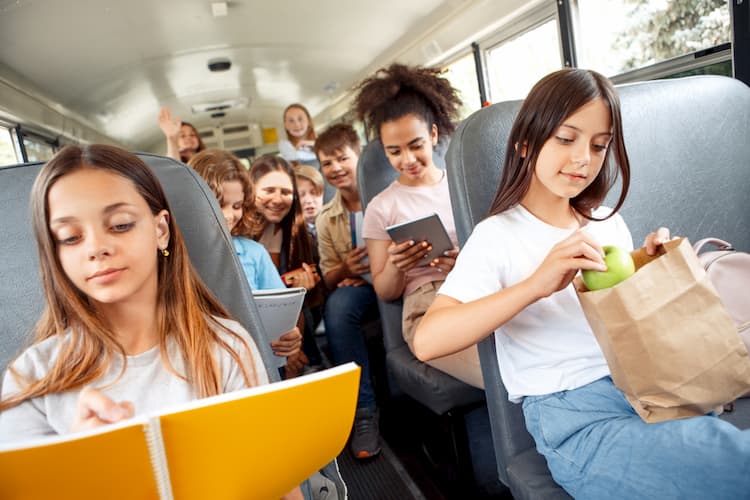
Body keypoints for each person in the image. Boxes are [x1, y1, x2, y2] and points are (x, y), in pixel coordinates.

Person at [413, 68, 750, 499]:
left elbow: (629, 328)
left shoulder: (608, 224)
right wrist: (536, 284)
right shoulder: (497, 236)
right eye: (566, 139)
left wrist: (650, 269)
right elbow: (428, 340)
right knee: (732, 461)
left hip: (650, 390)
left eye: (599, 145)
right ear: (526, 142)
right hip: (577, 419)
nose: (583, 160)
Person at [0, 144, 302, 498]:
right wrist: (77, 471)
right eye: (70, 238)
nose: (96, 247)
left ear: (161, 230)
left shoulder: (226, 347)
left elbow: (280, 487)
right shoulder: (32, 378)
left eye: (121, 225)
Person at [354, 63, 483, 389]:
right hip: (426, 307)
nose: (407, 160)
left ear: (434, 135)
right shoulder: (381, 207)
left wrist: (464, 261)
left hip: (477, 292)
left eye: (415, 145)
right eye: (394, 152)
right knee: (497, 369)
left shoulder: (464, 185)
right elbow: (385, 291)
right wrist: (398, 265)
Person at [188, 148, 303, 368]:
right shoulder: (172, 258)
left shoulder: (254, 254)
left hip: (255, 362)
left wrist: (289, 337)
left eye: (237, 206)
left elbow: (281, 317)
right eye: (218, 203)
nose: (228, 215)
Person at [314, 123, 381, 458]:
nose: (335, 168)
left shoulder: (386, 197)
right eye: (327, 163)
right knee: (337, 306)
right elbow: (327, 277)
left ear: (359, 156)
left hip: (399, 278)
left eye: (342, 158)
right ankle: (363, 412)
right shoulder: (327, 218)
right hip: (362, 290)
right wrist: (347, 270)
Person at [248, 155, 325, 370]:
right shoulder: (240, 237)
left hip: (293, 327)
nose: (278, 199)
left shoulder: (297, 235)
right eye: (269, 191)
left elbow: (304, 305)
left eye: (286, 192)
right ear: (251, 190)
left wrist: (303, 290)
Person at [294, 164, 325, 243]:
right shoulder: (291, 232)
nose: (309, 201)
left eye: (313, 193)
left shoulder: (334, 222)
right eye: (301, 195)